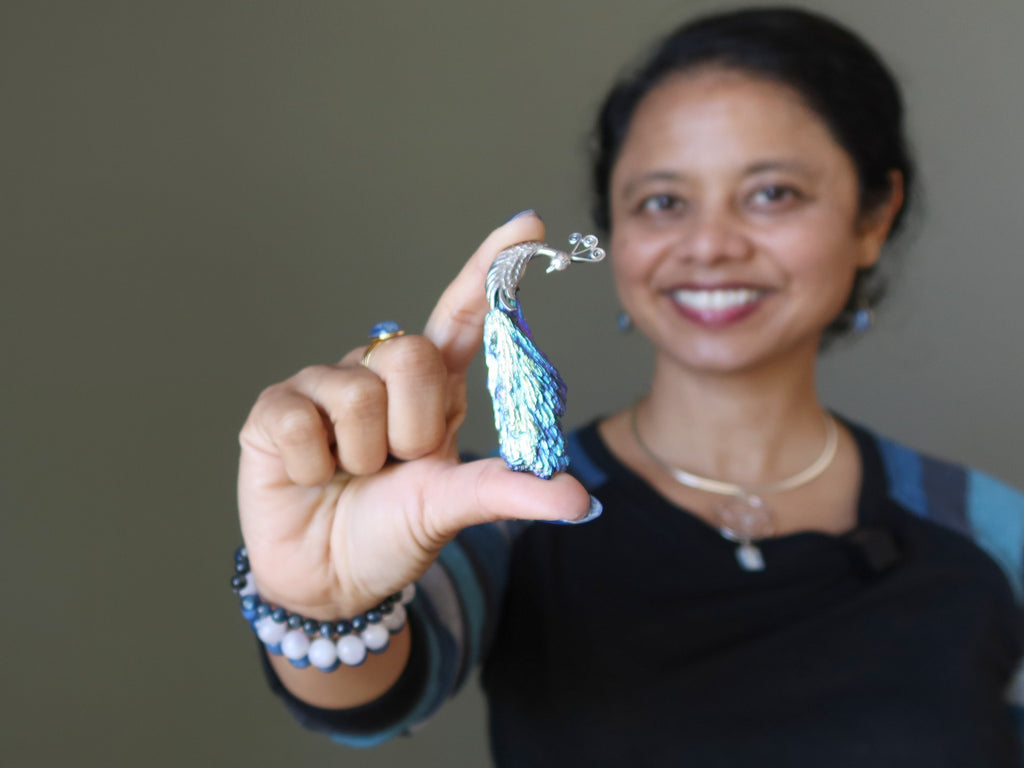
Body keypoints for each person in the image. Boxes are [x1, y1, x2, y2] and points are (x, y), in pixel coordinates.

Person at [234, 7, 1024, 766]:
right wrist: (324, 608)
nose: (709, 244)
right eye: (662, 202)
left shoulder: (988, 529)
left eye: (772, 193)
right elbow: (369, 701)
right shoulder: (503, 512)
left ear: (872, 218)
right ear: (616, 232)